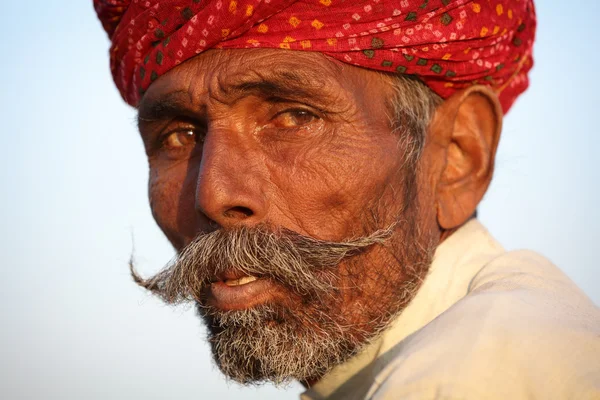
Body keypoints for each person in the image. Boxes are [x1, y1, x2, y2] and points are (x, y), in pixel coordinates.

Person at [94, 0, 599, 398]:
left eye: (292, 117)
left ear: (457, 156)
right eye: (180, 136)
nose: (214, 195)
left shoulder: (461, 382)